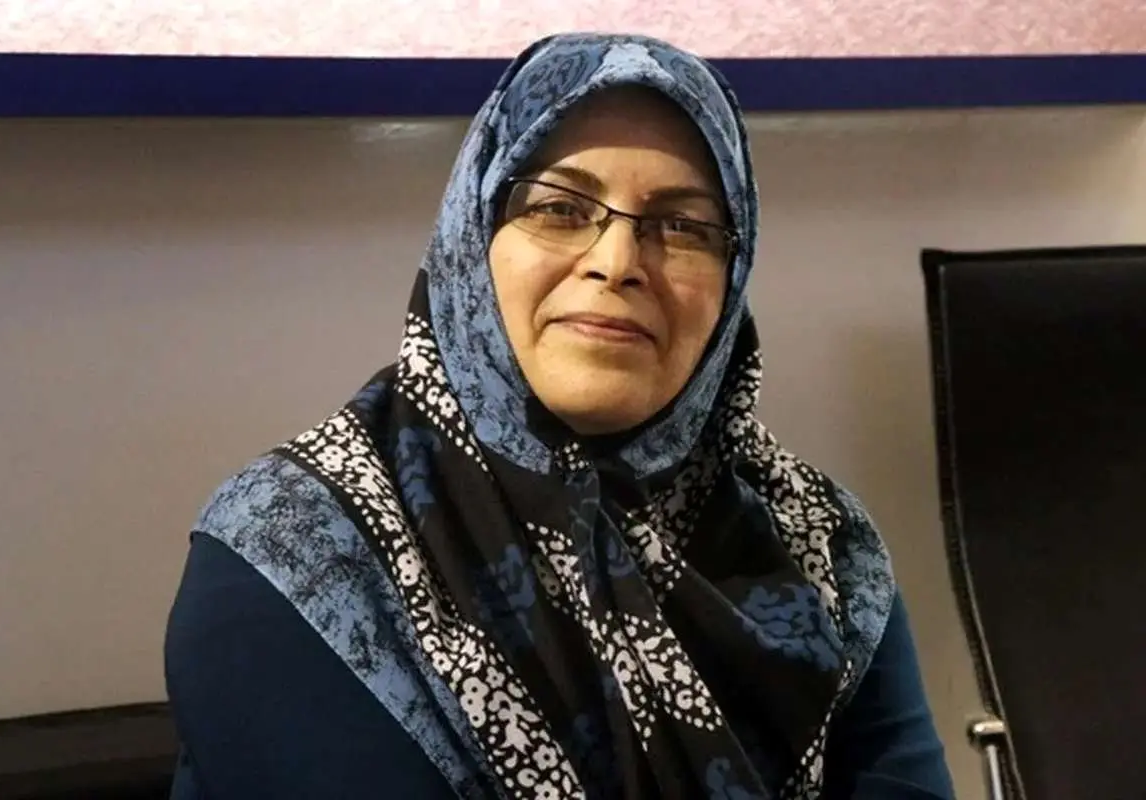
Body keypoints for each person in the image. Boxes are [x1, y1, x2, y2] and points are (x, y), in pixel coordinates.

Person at [164, 32, 954, 800]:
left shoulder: (820, 543)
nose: (617, 263)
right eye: (560, 208)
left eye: (682, 226)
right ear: (473, 237)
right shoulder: (295, 544)